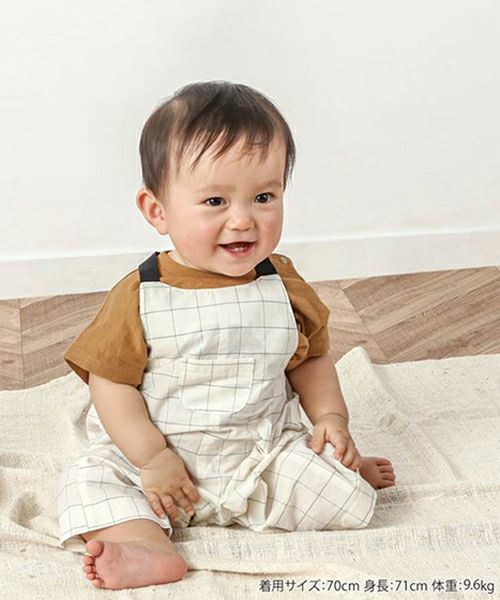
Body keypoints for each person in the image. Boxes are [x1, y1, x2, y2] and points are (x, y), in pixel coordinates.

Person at [56, 80, 396, 590]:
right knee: (88, 482)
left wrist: (331, 418)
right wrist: (151, 457)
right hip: (159, 466)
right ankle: (146, 545)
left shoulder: (282, 285)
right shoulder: (142, 295)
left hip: (259, 457)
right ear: (157, 210)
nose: (242, 220)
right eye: (215, 200)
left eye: (264, 197)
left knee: (339, 488)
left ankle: (338, 468)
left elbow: (310, 359)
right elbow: (111, 384)